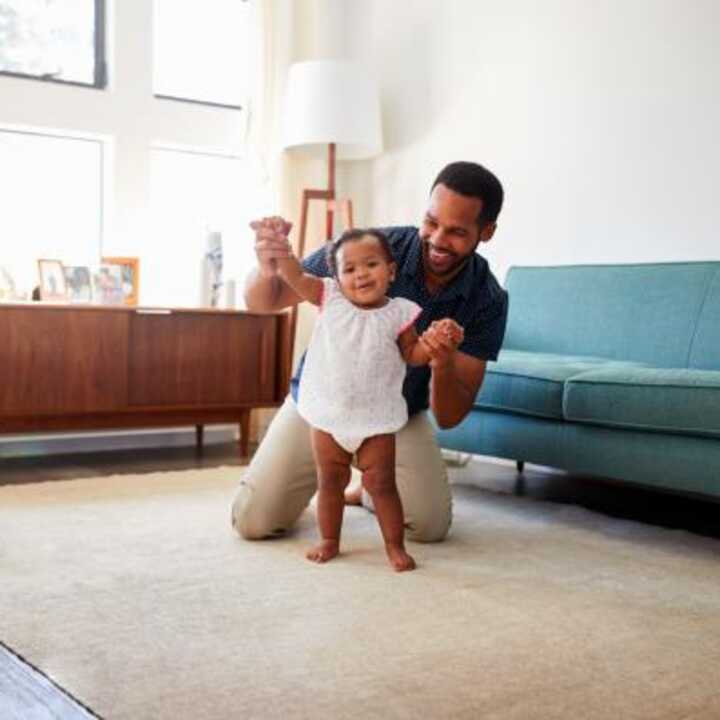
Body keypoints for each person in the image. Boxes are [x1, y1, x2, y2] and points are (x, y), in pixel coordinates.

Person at [232, 161, 509, 545]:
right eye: (431, 222)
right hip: (322, 405)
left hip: (392, 416)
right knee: (253, 521)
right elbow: (264, 302)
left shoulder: (488, 299)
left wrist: (442, 362)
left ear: (487, 232)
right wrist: (267, 268)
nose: (437, 239)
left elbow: (449, 416)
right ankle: (333, 479)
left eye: (457, 232)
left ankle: (368, 490)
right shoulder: (371, 248)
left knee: (429, 527)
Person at [255, 220, 464, 571]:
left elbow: (411, 355)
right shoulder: (329, 296)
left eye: (371, 264)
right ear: (336, 277)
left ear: (391, 270)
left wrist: (432, 346)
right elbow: (294, 276)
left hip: (376, 419)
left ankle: (394, 546)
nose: (361, 275)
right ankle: (330, 540)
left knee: (382, 485)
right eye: (349, 269)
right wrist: (281, 249)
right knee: (330, 483)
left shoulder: (399, 312)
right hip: (328, 415)